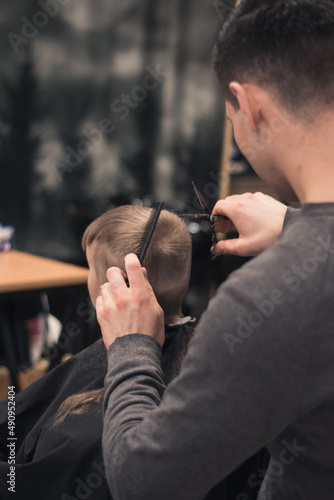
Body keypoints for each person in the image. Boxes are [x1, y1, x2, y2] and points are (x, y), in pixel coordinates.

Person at [97, 1, 334, 499]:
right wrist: (295, 225)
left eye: (231, 120)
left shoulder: (267, 302)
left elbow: (143, 483)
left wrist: (131, 347)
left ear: (247, 106)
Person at [0, 205, 196, 499]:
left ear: (113, 287)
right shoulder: (203, 358)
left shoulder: (78, 438)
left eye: (90, 267)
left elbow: (25, 484)